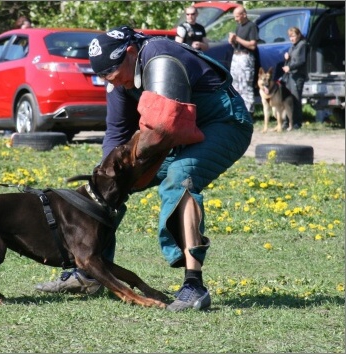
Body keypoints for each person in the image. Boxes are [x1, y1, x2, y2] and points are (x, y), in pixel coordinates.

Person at [35, 25, 253, 311]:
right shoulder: (121, 77)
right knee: (109, 187)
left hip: (223, 123)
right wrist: (107, 177)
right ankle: (89, 272)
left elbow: (166, 125)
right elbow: (116, 132)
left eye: (115, 76)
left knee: (180, 177)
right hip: (175, 130)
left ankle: (194, 286)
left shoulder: (160, 56)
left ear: (129, 53)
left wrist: (128, 163)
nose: (118, 84)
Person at [228, 5, 259, 116]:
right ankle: (238, 111)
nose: (235, 19)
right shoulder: (238, 26)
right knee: (235, 84)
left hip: (246, 58)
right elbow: (236, 44)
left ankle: (249, 113)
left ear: (244, 14)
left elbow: (252, 45)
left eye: (237, 16)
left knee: (246, 85)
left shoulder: (251, 26)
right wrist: (232, 40)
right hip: (236, 56)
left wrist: (237, 38)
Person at [281, 27, 307, 129]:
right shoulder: (293, 47)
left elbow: (301, 61)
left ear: (299, 35)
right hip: (290, 76)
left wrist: (290, 67)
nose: (292, 39)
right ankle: (287, 121)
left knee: (296, 99)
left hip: (298, 76)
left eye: (293, 36)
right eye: (290, 37)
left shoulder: (302, 45)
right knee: (288, 99)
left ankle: (297, 122)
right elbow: (291, 60)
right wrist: (287, 58)